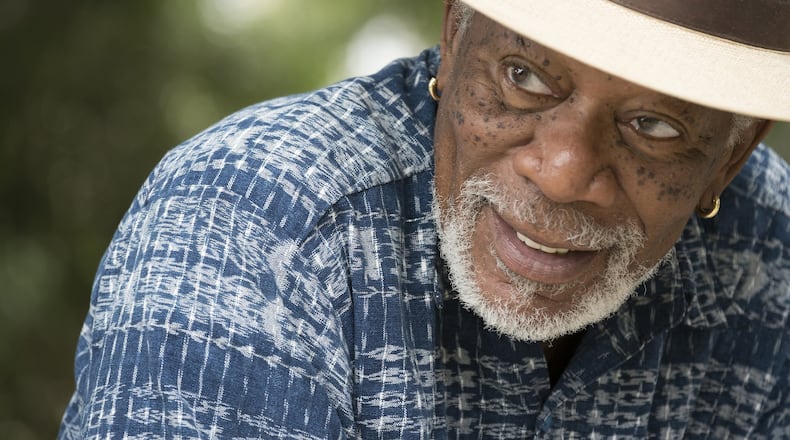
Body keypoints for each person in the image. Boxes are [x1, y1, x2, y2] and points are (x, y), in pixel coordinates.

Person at [59, 0, 790, 438]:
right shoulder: (253, 221)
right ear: (455, 31)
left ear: (731, 155)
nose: (563, 173)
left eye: (653, 127)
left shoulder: (771, 261)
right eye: (524, 77)